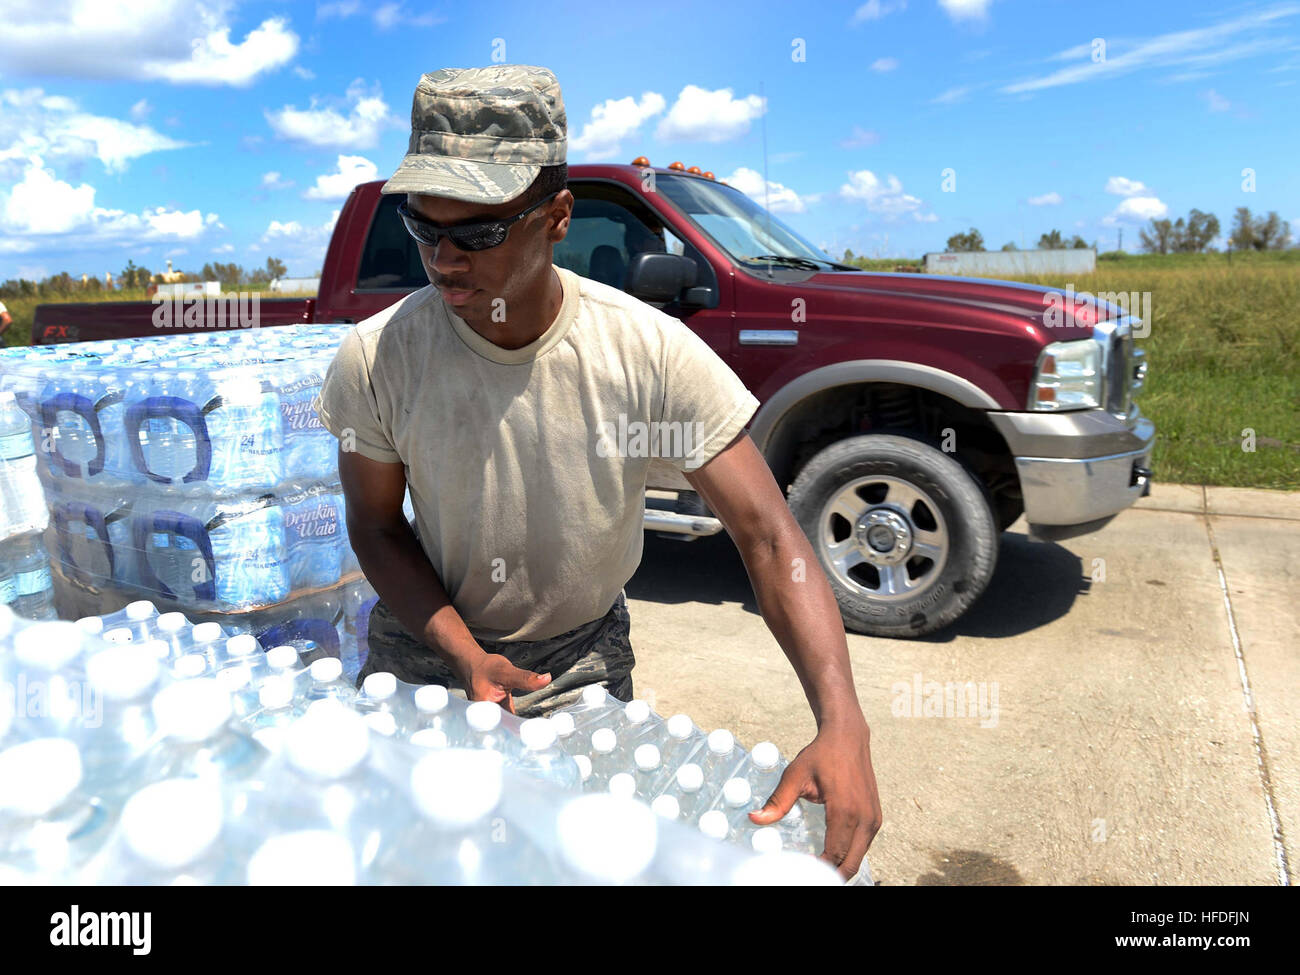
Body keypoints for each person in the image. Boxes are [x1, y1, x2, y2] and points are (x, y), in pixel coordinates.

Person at [313, 65, 880, 877]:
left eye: (475, 232)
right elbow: (373, 524)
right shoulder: (378, 356)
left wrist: (842, 721)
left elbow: (768, 537)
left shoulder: (645, 355)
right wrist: (465, 655)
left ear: (557, 218)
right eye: (421, 227)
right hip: (426, 653)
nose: (442, 259)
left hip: (577, 664)